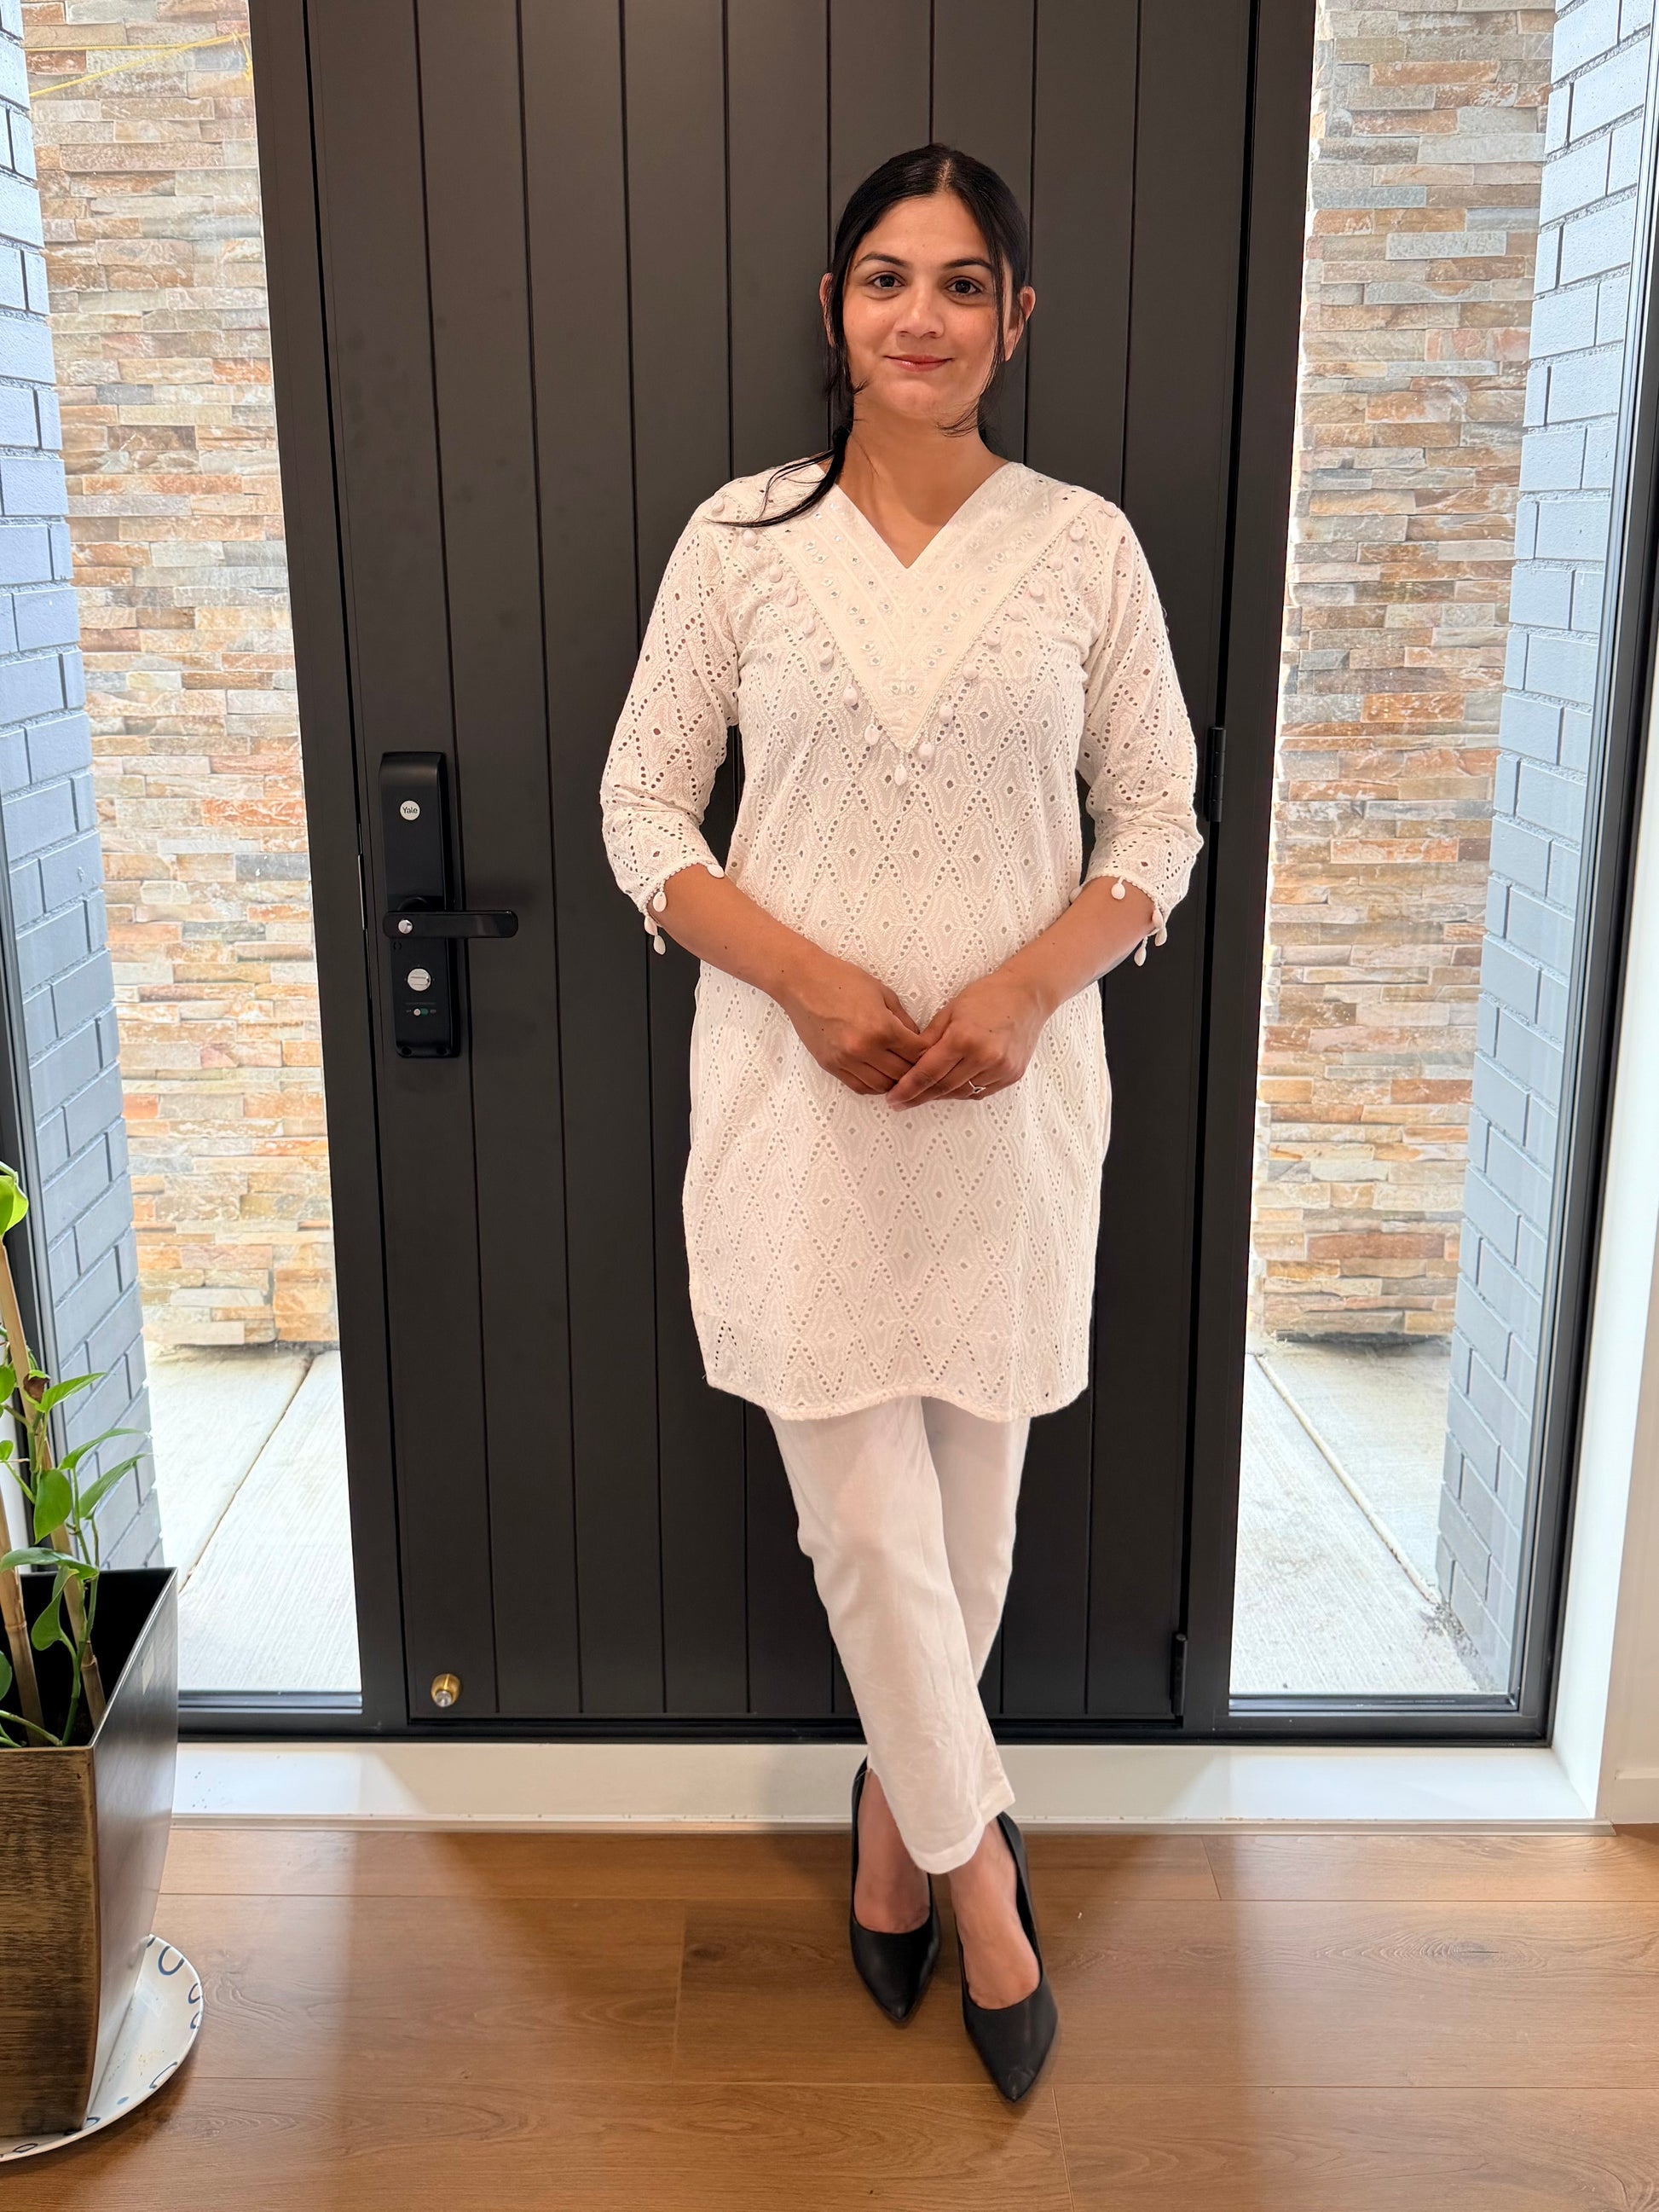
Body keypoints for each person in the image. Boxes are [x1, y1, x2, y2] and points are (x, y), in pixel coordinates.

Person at [598, 142, 1202, 2101]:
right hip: (798, 1116)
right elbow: (641, 809)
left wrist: (1027, 987)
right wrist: (802, 975)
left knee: (971, 1532)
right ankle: (988, 1895)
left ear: (1014, 316)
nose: (919, 316)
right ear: (834, 308)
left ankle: (892, 1820)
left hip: (1011, 1123)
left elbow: (1159, 821)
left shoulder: (1084, 549)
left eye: (959, 282)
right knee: (863, 1528)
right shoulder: (738, 544)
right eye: (884, 277)